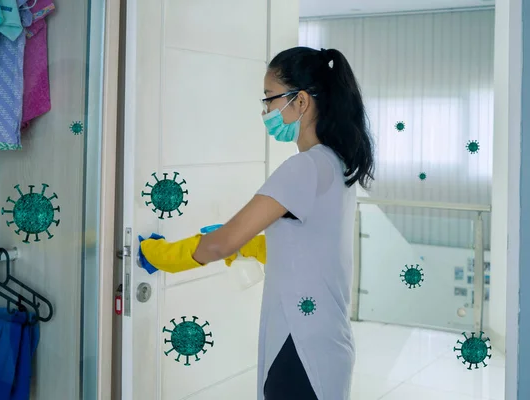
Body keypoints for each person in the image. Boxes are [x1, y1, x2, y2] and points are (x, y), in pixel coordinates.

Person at [138, 46, 375, 400]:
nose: (265, 110)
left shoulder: (303, 168)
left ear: (301, 102)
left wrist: (158, 254)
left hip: (300, 346)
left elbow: (220, 244)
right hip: (326, 340)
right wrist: (251, 244)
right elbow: (311, 245)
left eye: (269, 98)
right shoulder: (336, 164)